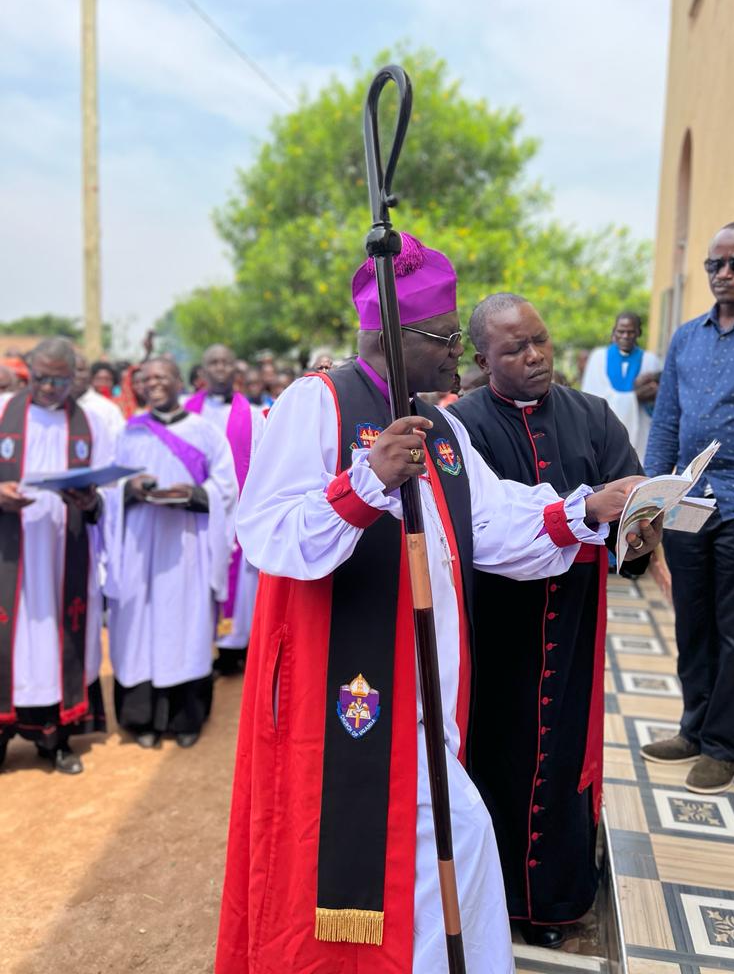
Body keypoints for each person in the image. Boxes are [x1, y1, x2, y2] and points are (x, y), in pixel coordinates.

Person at [215, 234, 642, 974]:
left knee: (448, 859)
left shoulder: (440, 424)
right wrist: (362, 485)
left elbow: (492, 521)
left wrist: (589, 510)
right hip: (354, 701)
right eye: (444, 339)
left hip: (429, 694)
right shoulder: (317, 403)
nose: (458, 356)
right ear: (391, 334)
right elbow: (269, 535)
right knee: (432, 854)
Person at [449, 293, 660, 947]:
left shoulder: (593, 415)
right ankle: (498, 906)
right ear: (483, 360)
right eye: (515, 349)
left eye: (539, 340)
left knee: (563, 755)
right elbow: (475, 527)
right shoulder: (464, 428)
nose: (535, 355)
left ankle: (559, 902)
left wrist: (641, 534)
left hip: (570, 623)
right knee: (496, 757)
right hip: (496, 628)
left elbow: (632, 497)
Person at [641, 220, 734, 793]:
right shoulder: (687, 337)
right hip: (690, 505)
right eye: (715, 264)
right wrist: (648, 502)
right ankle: (693, 730)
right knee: (692, 622)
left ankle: (722, 746)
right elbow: (667, 420)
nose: (723, 273)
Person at [104, 358, 238, 748]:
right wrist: (129, 490)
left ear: (180, 381)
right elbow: (106, 486)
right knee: (139, 629)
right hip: (139, 547)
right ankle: (141, 718)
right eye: (146, 379)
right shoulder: (127, 433)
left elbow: (226, 488)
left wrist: (194, 495)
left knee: (187, 627)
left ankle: (185, 719)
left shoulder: (205, 432)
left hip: (187, 547)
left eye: (162, 376)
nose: (154, 383)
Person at [0, 337, 111, 774]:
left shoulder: (90, 422)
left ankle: (55, 739)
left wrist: (90, 502)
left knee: (55, 643)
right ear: (29, 370)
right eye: (42, 378)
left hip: (66, 553)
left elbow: (106, 491)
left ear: (73, 377)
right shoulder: (4, 409)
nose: (49, 387)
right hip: (9, 553)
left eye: (59, 380)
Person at [186, 344, 265, 676]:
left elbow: (262, 465)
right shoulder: (186, 413)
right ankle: (200, 647)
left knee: (242, 584)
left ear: (236, 371)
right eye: (212, 362)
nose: (219, 368)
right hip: (197, 513)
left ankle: (235, 650)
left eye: (225, 362)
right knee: (198, 577)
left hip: (236, 511)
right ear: (202, 372)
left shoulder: (252, 416)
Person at [581, 311, 662, 459]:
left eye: (630, 332)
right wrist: (634, 397)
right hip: (605, 437)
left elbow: (658, 407)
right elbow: (589, 401)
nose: (625, 336)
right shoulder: (598, 358)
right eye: (621, 331)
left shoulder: (650, 361)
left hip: (641, 436)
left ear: (639, 333)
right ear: (614, 332)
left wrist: (651, 395)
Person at [72, 351, 125, 443]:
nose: (76, 375)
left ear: (89, 374)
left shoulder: (108, 409)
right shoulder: (53, 407)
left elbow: (119, 443)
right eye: (71, 370)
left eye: (80, 370)